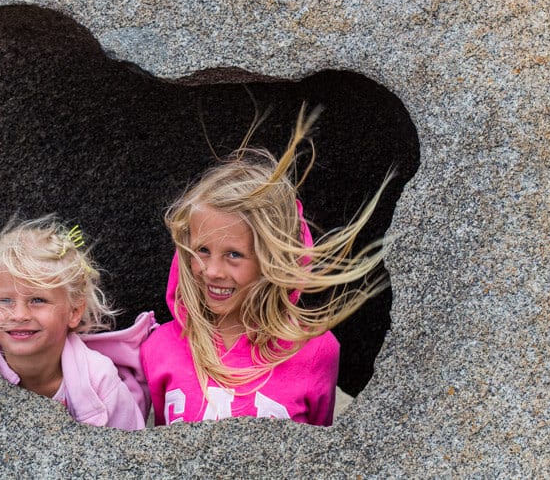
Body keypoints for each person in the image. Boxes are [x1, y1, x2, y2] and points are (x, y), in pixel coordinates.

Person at [141, 104, 391, 426]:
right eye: (202, 250)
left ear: (272, 261)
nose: (212, 271)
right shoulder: (159, 347)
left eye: (234, 254)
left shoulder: (316, 351)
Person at [0, 216, 155, 430]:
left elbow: (132, 450)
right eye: (5, 301)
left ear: (74, 311)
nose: (19, 315)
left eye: (37, 300)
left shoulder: (99, 379)